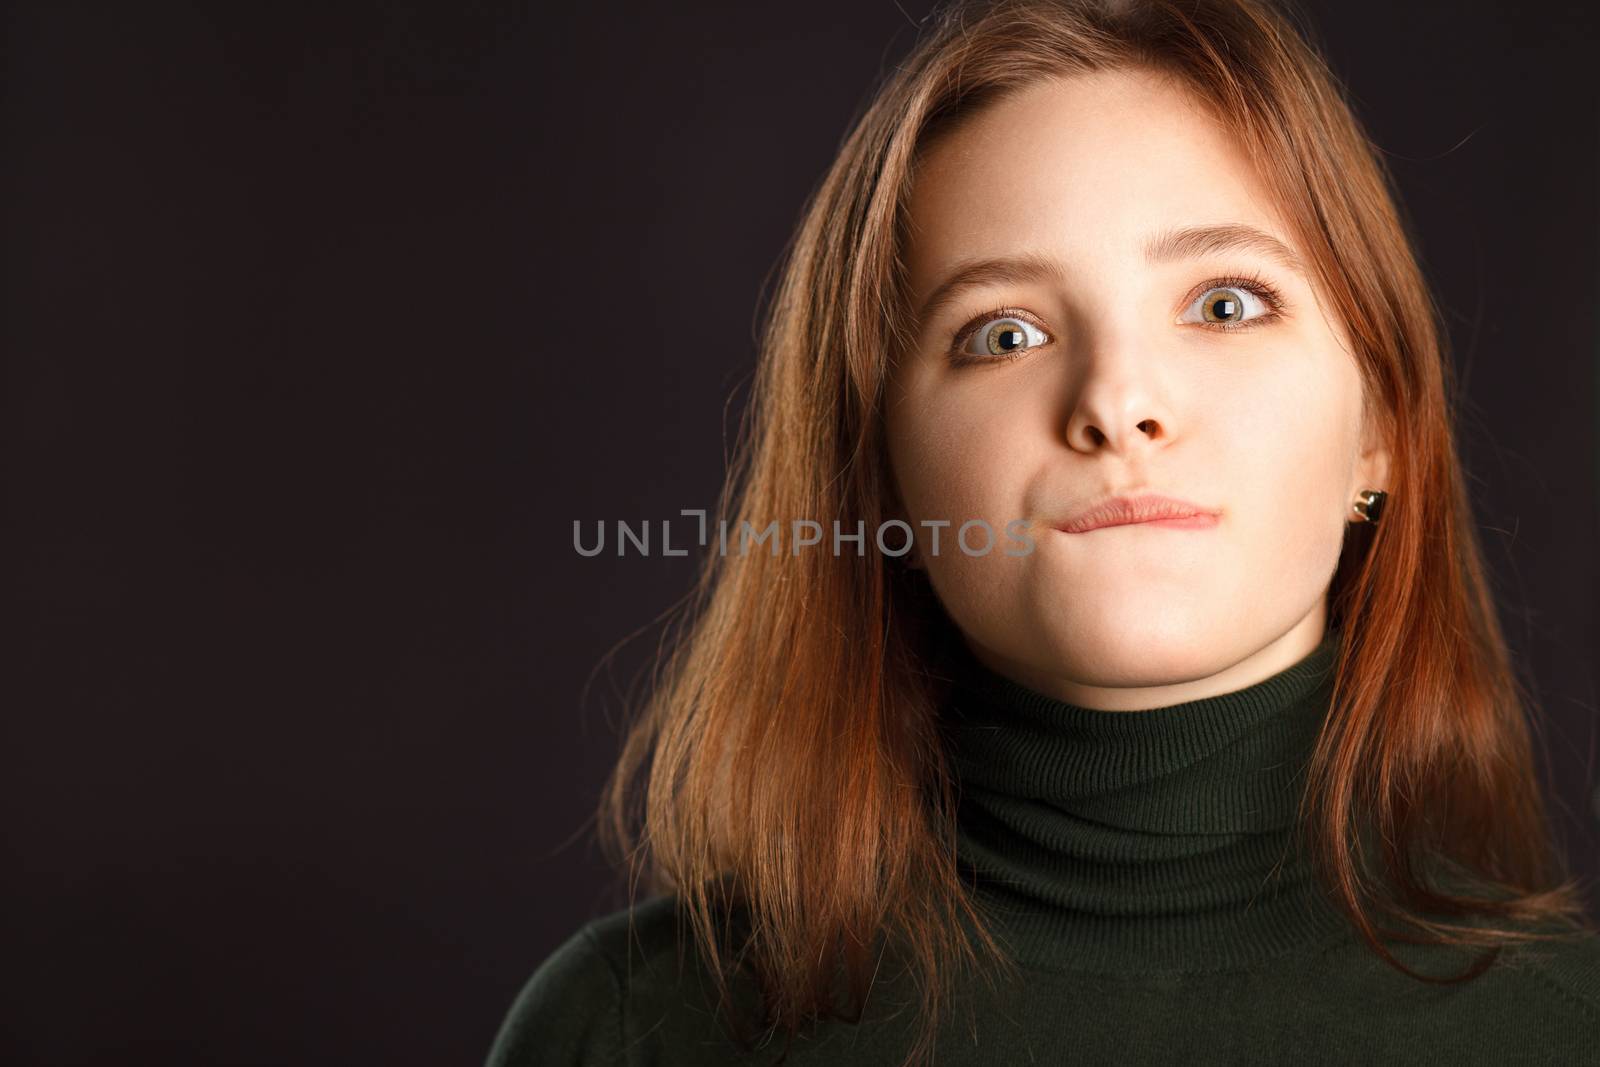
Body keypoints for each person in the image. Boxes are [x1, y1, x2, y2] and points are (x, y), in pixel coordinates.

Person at [490, 0, 1600, 1063]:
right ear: (882, 487)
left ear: (1382, 434)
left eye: (1224, 303)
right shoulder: (623, 1032)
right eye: (1005, 331)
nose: (1116, 402)